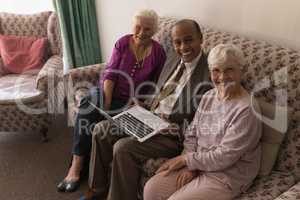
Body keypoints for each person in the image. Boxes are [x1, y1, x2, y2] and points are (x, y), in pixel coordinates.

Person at [80, 19, 212, 200]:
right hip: (150, 117)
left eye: (189, 40)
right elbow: (161, 91)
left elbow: (204, 123)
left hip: (173, 133)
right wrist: (143, 104)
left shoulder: (210, 73)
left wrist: (175, 128)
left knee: (123, 148)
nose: (183, 47)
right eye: (177, 42)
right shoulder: (172, 58)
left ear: (200, 39)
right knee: (100, 130)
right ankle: (97, 190)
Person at [57, 9, 166, 193]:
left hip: (131, 101)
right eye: (138, 27)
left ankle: (82, 165)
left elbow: (154, 84)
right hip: (107, 92)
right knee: (87, 105)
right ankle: (75, 166)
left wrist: (140, 101)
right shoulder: (123, 43)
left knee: (94, 117)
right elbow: (110, 75)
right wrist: (105, 106)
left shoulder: (158, 53)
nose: (141, 33)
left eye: (147, 29)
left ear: (154, 31)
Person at [143, 44, 262, 200]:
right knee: (151, 189)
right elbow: (192, 133)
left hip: (226, 175)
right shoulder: (209, 96)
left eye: (229, 70)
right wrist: (191, 166)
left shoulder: (247, 110)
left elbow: (225, 156)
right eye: (216, 71)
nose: (222, 77)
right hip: (199, 163)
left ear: (241, 71)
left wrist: (186, 160)